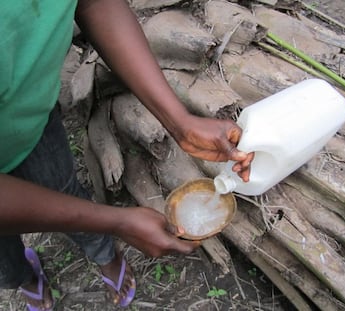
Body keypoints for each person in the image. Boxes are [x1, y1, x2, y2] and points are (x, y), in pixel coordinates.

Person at [0, 1, 254, 310]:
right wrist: (118, 222)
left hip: (32, 117)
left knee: (63, 190)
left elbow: (96, 3)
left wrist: (180, 122)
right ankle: (23, 278)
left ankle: (105, 257)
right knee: (4, 260)